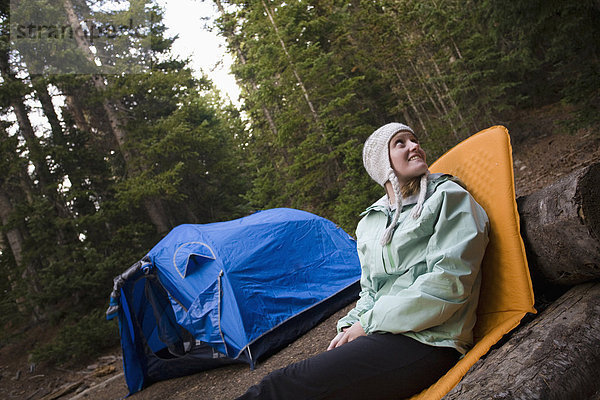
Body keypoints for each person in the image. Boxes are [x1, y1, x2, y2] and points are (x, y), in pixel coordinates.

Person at [236, 122, 489, 400]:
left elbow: (449, 283)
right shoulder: (371, 222)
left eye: (414, 140)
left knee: (280, 386)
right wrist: (350, 324)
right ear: (382, 164)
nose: (415, 146)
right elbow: (371, 290)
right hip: (385, 334)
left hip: (432, 340)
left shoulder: (448, 197)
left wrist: (368, 323)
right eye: (400, 143)